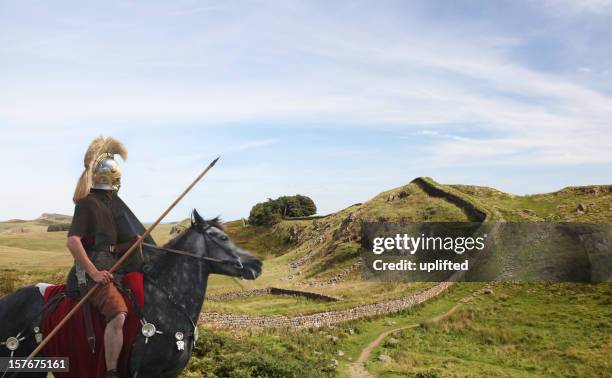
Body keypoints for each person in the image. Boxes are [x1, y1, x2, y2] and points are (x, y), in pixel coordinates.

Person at [66, 136, 130, 378]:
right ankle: (111, 372)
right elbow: (73, 241)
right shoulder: (87, 204)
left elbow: (107, 246)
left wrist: (131, 244)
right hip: (91, 274)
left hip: (112, 269)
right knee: (118, 314)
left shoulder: (108, 205)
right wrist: (93, 272)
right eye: (117, 178)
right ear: (111, 179)